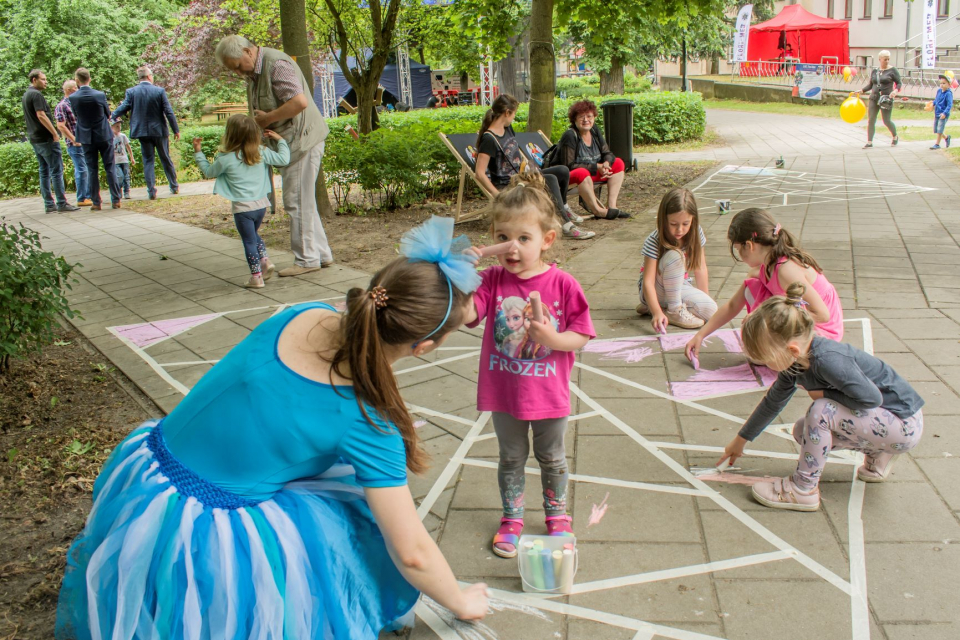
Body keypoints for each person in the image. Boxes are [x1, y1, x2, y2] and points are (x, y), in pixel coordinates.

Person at [54, 217, 490, 639]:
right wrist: (460, 600)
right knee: (351, 526)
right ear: (425, 347)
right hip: (205, 530)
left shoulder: (303, 314)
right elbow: (412, 553)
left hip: (148, 475)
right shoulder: (367, 421)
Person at [462, 171, 595, 558]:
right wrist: (463, 277)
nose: (512, 248)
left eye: (523, 238)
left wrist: (552, 340)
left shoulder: (564, 285)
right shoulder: (490, 280)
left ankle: (557, 515)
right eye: (502, 238)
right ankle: (512, 517)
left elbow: (582, 335)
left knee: (552, 457)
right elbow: (471, 314)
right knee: (511, 457)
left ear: (547, 240)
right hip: (504, 393)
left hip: (548, 392)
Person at [717, 283, 924, 512]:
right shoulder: (795, 363)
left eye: (767, 359)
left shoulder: (829, 360)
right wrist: (741, 439)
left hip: (904, 424)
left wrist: (823, 394)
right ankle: (878, 454)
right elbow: (773, 402)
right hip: (885, 423)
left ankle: (802, 489)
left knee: (822, 411)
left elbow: (872, 399)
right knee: (802, 430)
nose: (766, 365)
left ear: (792, 350)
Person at [215, 35, 334, 276]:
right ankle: (321, 255)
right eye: (233, 70)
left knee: (296, 201)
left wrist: (267, 119)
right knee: (304, 201)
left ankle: (306, 260)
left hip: (301, 141)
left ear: (248, 52)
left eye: (237, 66)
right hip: (292, 143)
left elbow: (299, 102)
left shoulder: (276, 65)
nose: (238, 73)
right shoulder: (255, 74)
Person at [685, 208, 844, 361]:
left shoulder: (786, 270)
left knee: (762, 351)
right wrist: (700, 335)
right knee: (751, 287)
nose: (739, 254)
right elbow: (733, 305)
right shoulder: (764, 267)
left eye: (738, 249)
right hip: (799, 320)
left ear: (749, 245)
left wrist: (767, 318)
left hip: (822, 333)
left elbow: (823, 315)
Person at [474, 94, 595, 240]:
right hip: (508, 185)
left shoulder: (507, 129)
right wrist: (497, 195)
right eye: (514, 114)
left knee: (562, 171)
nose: (514, 117)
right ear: (507, 113)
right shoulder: (489, 139)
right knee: (549, 179)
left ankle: (564, 208)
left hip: (522, 177)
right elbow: (479, 173)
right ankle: (566, 225)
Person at [193, 115, 288, 288]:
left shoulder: (226, 159)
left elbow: (208, 172)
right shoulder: (261, 153)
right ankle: (265, 261)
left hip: (242, 209)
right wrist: (281, 140)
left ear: (230, 134)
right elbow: (283, 159)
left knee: (249, 241)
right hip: (261, 206)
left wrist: (198, 152)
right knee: (253, 235)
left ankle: (256, 277)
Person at [635, 188, 717, 331]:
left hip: (679, 286)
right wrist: (657, 314)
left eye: (686, 224)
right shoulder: (654, 240)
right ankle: (671, 310)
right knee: (676, 256)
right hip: (655, 288)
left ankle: (659, 306)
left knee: (711, 311)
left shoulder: (696, 233)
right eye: (673, 224)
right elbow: (648, 281)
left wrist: (706, 298)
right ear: (663, 220)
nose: (679, 230)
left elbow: (700, 267)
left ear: (693, 219)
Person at [110, 66, 181, 199]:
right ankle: (174, 186)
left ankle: (151, 191)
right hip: (159, 131)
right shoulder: (159, 91)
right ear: (149, 76)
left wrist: (111, 115)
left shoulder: (132, 92)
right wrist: (175, 130)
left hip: (142, 131)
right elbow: (168, 111)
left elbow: (124, 107)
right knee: (165, 158)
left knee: (148, 160)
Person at [557, 100, 629, 220]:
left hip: (592, 175)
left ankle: (611, 206)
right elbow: (568, 165)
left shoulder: (594, 131)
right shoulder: (570, 135)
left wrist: (606, 164)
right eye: (581, 117)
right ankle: (598, 211)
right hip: (571, 178)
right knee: (582, 172)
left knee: (618, 163)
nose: (586, 120)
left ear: (594, 117)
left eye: (589, 116)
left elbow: (608, 153)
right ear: (574, 120)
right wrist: (597, 167)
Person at [22, 69, 79, 213]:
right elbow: (41, 115)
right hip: (45, 138)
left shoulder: (26, 95)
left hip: (35, 139)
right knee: (56, 171)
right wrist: (54, 133)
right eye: (43, 79)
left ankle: (49, 204)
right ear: (34, 80)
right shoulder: (36, 94)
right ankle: (61, 203)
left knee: (44, 171)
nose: (45, 81)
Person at [69, 68, 121, 210]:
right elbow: (108, 114)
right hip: (103, 134)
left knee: (92, 169)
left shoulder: (73, 98)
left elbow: (76, 115)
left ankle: (96, 202)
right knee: (110, 167)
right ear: (89, 79)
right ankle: (116, 200)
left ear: (77, 80)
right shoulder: (99, 95)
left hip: (86, 137)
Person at [54, 80, 92, 206]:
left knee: (86, 168)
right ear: (70, 90)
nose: (78, 89)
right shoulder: (62, 106)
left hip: (85, 141)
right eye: (76, 88)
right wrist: (74, 139)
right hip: (75, 144)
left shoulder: (76, 103)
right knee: (81, 169)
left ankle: (88, 195)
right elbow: (60, 125)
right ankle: (82, 198)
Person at [857, 50, 901, 149]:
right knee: (871, 119)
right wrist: (862, 90)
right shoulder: (875, 71)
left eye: (888, 59)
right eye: (885, 59)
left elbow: (899, 83)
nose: (887, 61)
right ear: (880, 59)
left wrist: (895, 91)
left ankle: (895, 136)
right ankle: (869, 141)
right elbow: (871, 85)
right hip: (874, 97)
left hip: (886, 99)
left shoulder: (893, 70)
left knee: (886, 120)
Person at [110, 120, 135, 199]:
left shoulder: (123, 136)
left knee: (126, 176)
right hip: (115, 161)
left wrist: (131, 157)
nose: (119, 128)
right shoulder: (110, 137)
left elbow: (128, 147)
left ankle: (127, 191)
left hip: (124, 160)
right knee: (119, 176)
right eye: (117, 126)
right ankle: (119, 189)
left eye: (120, 126)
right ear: (111, 127)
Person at [931, 74, 953, 150]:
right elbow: (936, 99)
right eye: (941, 83)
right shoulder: (939, 91)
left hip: (943, 114)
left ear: (949, 84)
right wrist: (932, 104)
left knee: (940, 129)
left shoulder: (948, 94)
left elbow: (949, 105)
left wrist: (945, 113)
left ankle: (937, 144)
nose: (942, 85)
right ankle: (947, 137)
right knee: (937, 129)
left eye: (944, 83)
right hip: (937, 112)